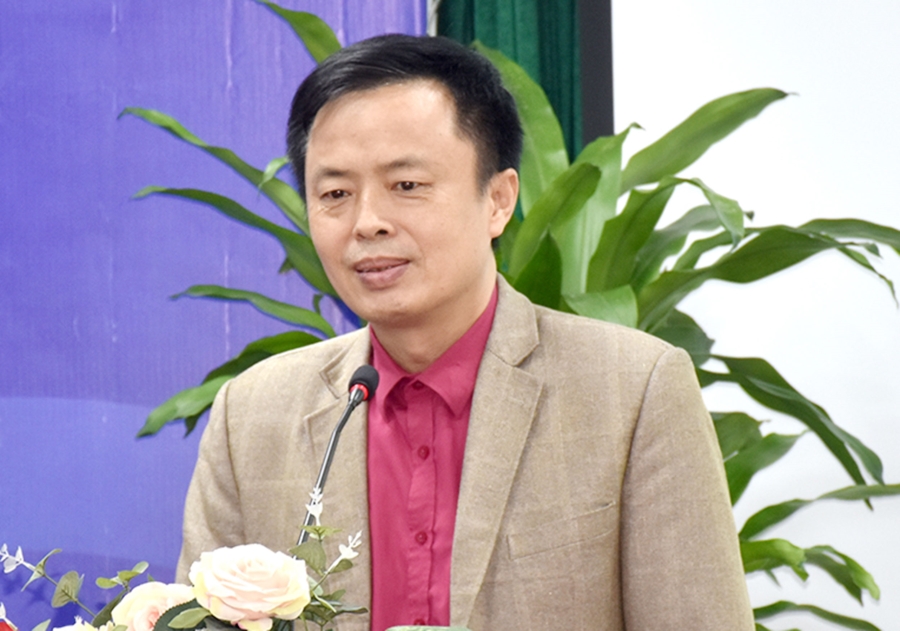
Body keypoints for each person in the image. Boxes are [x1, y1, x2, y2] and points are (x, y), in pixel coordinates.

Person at [177, 34, 754, 631]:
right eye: (336, 194)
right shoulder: (252, 416)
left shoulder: (631, 392)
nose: (367, 222)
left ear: (498, 201)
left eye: (407, 185)